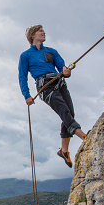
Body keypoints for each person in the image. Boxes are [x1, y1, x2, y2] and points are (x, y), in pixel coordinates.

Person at [18, 25, 86, 168]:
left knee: (69, 113)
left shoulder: (51, 51)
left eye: (43, 31)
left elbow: (62, 67)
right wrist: (27, 95)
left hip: (59, 83)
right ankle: (84, 136)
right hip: (44, 87)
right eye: (40, 31)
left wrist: (66, 72)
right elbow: (22, 77)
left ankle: (64, 150)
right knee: (64, 111)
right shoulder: (25, 56)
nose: (43, 32)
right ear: (32, 36)